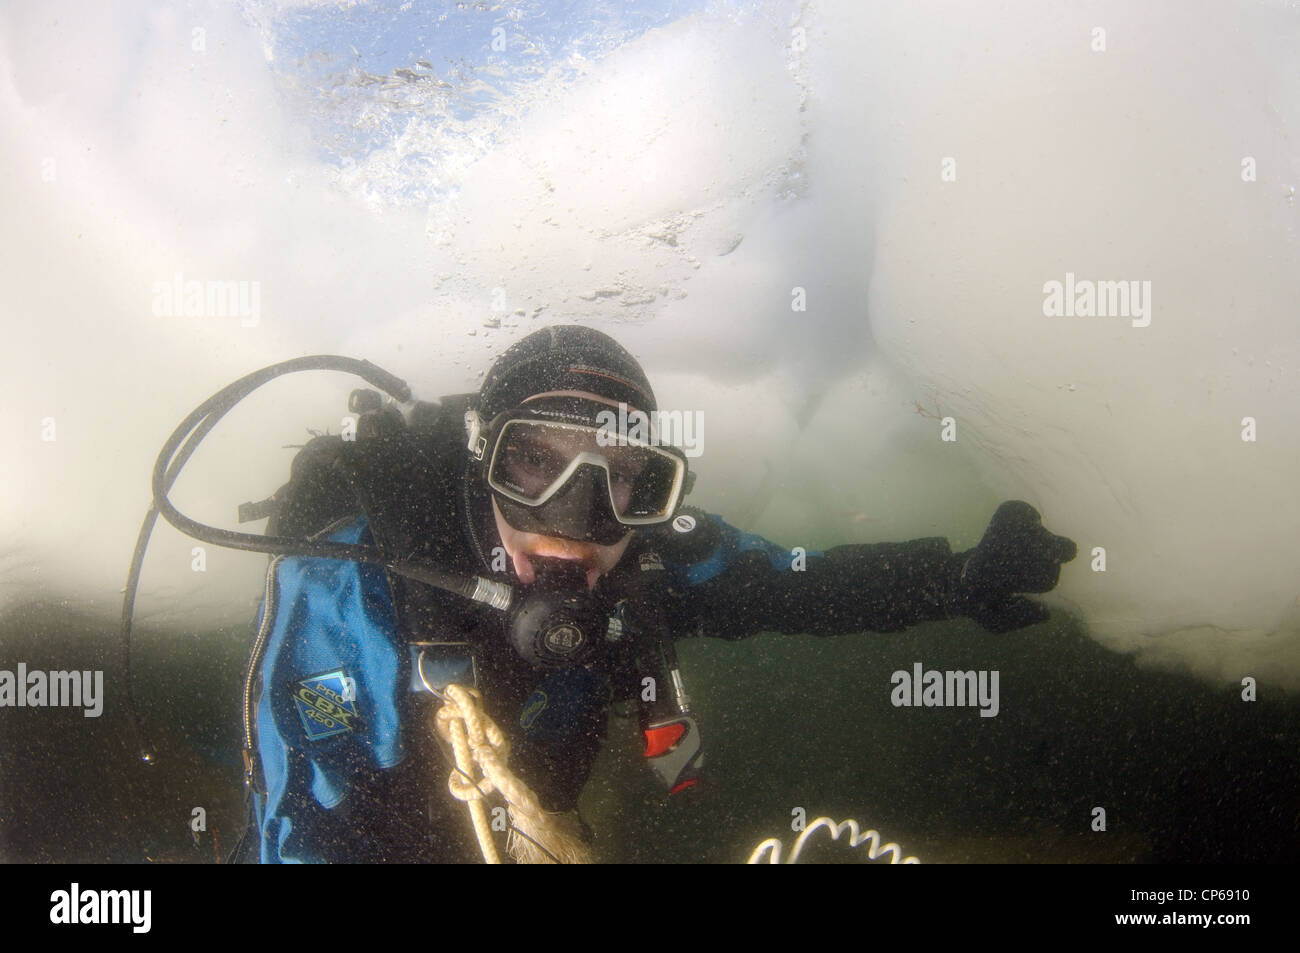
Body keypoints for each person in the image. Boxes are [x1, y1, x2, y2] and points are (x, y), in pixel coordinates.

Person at [240, 324, 1076, 863]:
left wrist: (957, 576)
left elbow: (794, 588)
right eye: (535, 461)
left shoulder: (644, 560)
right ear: (480, 461)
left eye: (623, 477)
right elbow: (300, 829)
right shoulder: (351, 582)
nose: (574, 521)